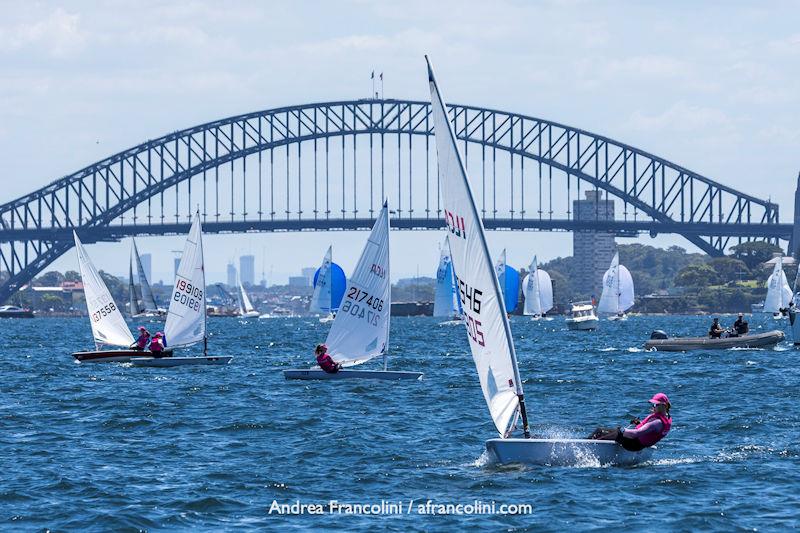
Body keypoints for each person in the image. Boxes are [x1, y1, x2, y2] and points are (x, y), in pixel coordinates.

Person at [588, 393, 673, 451]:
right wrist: (639, 423)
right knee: (608, 433)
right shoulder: (666, 418)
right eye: (653, 404)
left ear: (664, 406)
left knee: (600, 431)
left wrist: (622, 430)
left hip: (632, 444)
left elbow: (636, 433)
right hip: (639, 445)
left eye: (656, 405)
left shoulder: (657, 422)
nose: (654, 406)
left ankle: (584, 446)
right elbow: (649, 431)